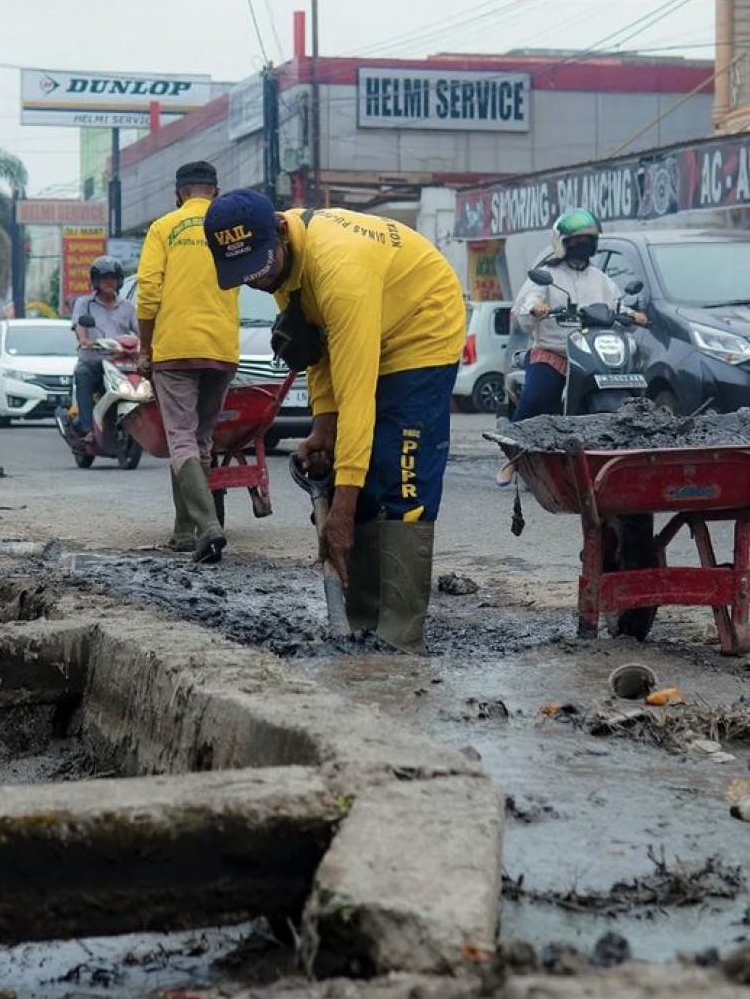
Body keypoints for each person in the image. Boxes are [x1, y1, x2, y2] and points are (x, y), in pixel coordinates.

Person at [204, 189, 465, 654]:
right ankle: (364, 622)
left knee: (401, 473)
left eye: (262, 268)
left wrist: (340, 512)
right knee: (358, 478)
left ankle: (401, 636)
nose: (258, 282)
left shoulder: (340, 269)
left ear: (281, 231)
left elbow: (358, 395)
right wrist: (324, 424)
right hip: (369, 323)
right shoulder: (287, 266)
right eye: (246, 276)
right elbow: (317, 347)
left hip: (421, 328)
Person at [495, 209, 648, 485]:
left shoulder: (601, 279)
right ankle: (512, 456)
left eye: (588, 240)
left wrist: (632, 315)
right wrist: (537, 307)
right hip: (554, 352)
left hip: (592, 353)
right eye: (576, 240)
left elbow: (617, 305)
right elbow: (527, 302)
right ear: (562, 243)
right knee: (539, 398)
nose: (583, 245)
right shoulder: (546, 275)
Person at [136, 162, 239, 563]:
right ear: (215, 191)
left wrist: (146, 347)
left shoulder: (163, 228)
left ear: (179, 192)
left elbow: (148, 293)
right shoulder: (229, 230)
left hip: (175, 347)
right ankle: (184, 532)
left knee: (180, 437)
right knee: (201, 440)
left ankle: (209, 525)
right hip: (221, 346)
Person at [69, 256, 137, 439]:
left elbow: (140, 330)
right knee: (83, 374)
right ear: (96, 281)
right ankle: (88, 429)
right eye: (105, 279)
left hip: (120, 363)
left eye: (113, 279)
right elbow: (79, 325)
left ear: (119, 281)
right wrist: (84, 339)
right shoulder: (84, 303)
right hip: (94, 362)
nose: (109, 283)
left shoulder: (128, 307)